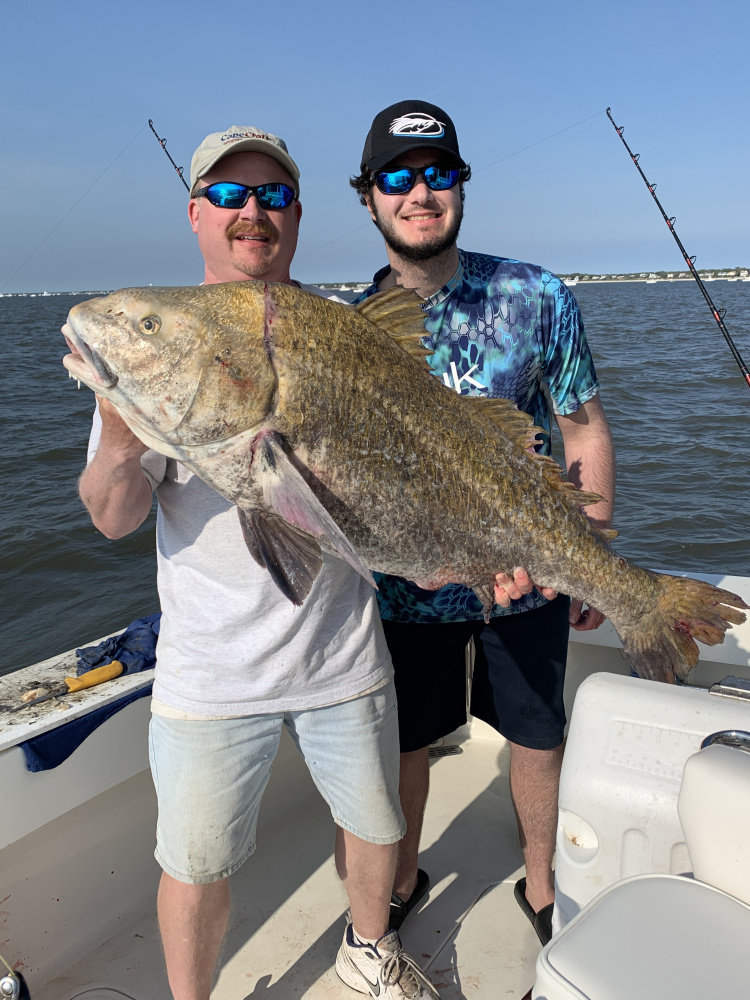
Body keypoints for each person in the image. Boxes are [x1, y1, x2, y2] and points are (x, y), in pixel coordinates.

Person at [76, 125, 439, 1000]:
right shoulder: (165, 356)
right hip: (210, 672)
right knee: (195, 862)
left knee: (375, 823)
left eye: (272, 196)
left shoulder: (346, 331)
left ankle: (368, 949)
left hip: (342, 651)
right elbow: (114, 520)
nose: (252, 212)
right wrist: (121, 441)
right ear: (196, 214)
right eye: (229, 195)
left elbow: (424, 471)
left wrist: (460, 551)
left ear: (297, 216)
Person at [350, 101, 616, 945]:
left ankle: (541, 883)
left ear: (461, 185)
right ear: (369, 197)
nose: (419, 193)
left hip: (528, 569)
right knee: (406, 742)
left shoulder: (537, 295)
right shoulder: (348, 331)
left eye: (437, 173)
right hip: (406, 585)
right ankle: (401, 877)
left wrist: (589, 555)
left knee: (537, 734)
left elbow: (583, 430)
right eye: (397, 177)